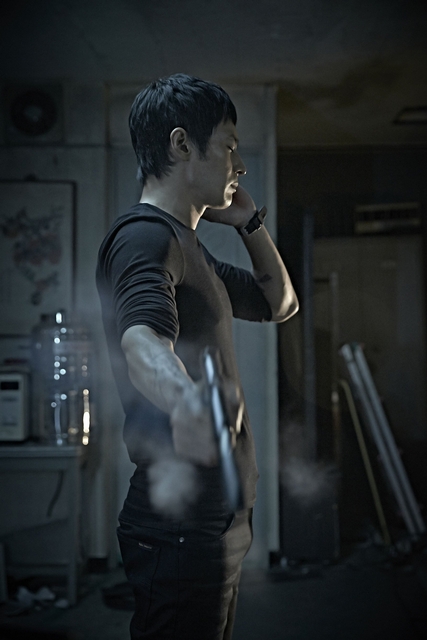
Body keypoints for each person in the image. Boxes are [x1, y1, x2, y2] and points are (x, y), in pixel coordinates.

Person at [96, 73, 298, 640]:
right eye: (230, 147)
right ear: (182, 144)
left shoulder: (190, 248)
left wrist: (250, 224)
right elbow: (142, 340)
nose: (240, 165)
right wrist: (187, 399)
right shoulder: (144, 237)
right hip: (180, 524)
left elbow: (280, 304)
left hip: (212, 519)